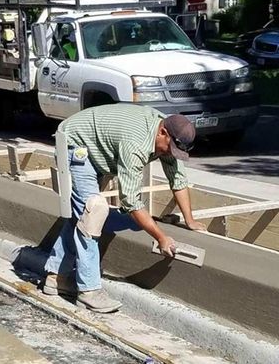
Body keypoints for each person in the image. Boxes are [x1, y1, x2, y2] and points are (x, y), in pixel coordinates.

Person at [44, 104, 206, 313]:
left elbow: (177, 178)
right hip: (75, 144)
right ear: (163, 132)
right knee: (93, 213)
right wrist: (160, 237)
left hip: (96, 148)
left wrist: (190, 220)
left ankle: (56, 277)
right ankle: (89, 291)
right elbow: (130, 200)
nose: (168, 153)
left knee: (81, 215)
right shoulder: (135, 143)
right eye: (169, 148)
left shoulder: (168, 133)